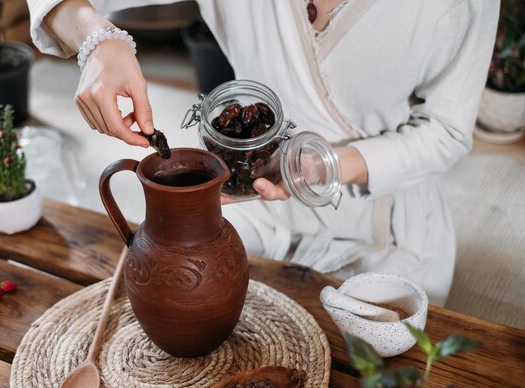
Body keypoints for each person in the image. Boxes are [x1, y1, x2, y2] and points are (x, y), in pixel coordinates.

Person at [27, 0, 500, 306]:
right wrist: (97, 39)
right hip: (258, 202)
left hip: (391, 222)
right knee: (183, 299)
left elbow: (446, 131)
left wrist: (322, 166)